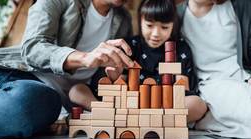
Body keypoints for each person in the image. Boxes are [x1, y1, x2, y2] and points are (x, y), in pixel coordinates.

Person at [0, 0, 134, 139]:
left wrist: (113, 78)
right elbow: (32, 48)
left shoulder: (123, 20)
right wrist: (83, 58)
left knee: (31, 102)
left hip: (40, 93)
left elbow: (103, 77)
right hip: (3, 68)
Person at [69, 0, 208, 123]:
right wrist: (114, 76)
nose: (155, 34)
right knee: (76, 91)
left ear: (173, 26)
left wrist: (163, 102)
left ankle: (144, 120)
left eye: (164, 27)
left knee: (197, 104)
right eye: (149, 25)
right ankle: (111, 115)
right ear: (140, 20)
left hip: (162, 106)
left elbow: (183, 89)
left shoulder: (181, 49)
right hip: (128, 103)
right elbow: (117, 85)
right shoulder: (130, 45)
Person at [178, 0, 251, 138]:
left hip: (242, 75)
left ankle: (210, 118)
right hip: (210, 82)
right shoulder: (177, 15)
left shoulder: (236, 6)